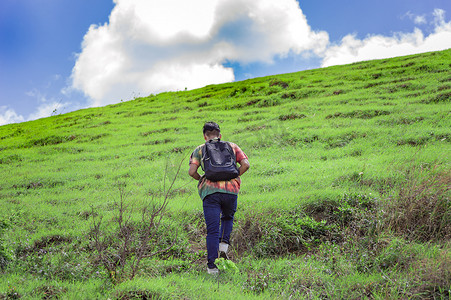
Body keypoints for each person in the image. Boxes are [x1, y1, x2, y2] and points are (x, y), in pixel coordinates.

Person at [189, 122, 250, 274]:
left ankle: (212, 268)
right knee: (228, 218)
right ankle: (223, 248)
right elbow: (246, 164)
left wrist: (201, 178)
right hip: (230, 191)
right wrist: (234, 176)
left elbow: (191, 171)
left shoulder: (200, 149)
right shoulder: (232, 146)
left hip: (210, 193)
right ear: (220, 135)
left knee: (212, 230)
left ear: (205, 136)